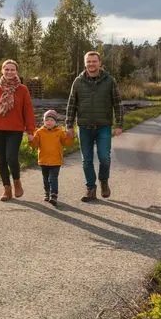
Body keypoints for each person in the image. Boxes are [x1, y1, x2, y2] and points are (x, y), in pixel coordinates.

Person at [64, 51, 123, 202]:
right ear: (85, 63)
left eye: (94, 61)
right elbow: (71, 105)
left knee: (104, 158)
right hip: (84, 127)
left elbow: (117, 103)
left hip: (103, 126)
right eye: (88, 61)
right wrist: (69, 125)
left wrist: (119, 124)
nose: (91, 64)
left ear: (100, 63)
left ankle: (103, 181)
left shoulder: (109, 81)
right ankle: (91, 188)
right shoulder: (78, 82)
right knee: (87, 160)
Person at [0, 59, 36, 201]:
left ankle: (17, 182)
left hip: (15, 130)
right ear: (2, 71)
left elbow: (28, 110)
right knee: (1, 160)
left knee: (11, 157)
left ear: (17, 72)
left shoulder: (22, 89)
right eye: (7, 69)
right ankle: (6, 189)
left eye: (12, 70)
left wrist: (30, 131)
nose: (9, 72)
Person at [28, 109, 73, 206]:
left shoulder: (60, 132)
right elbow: (34, 145)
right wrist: (31, 140)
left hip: (56, 160)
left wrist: (70, 136)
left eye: (52, 120)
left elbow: (66, 143)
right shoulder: (39, 132)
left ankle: (54, 195)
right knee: (45, 179)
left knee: (53, 178)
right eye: (47, 120)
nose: (49, 122)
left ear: (56, 122)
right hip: (43, 160)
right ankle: (47, 193)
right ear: (43, 121)